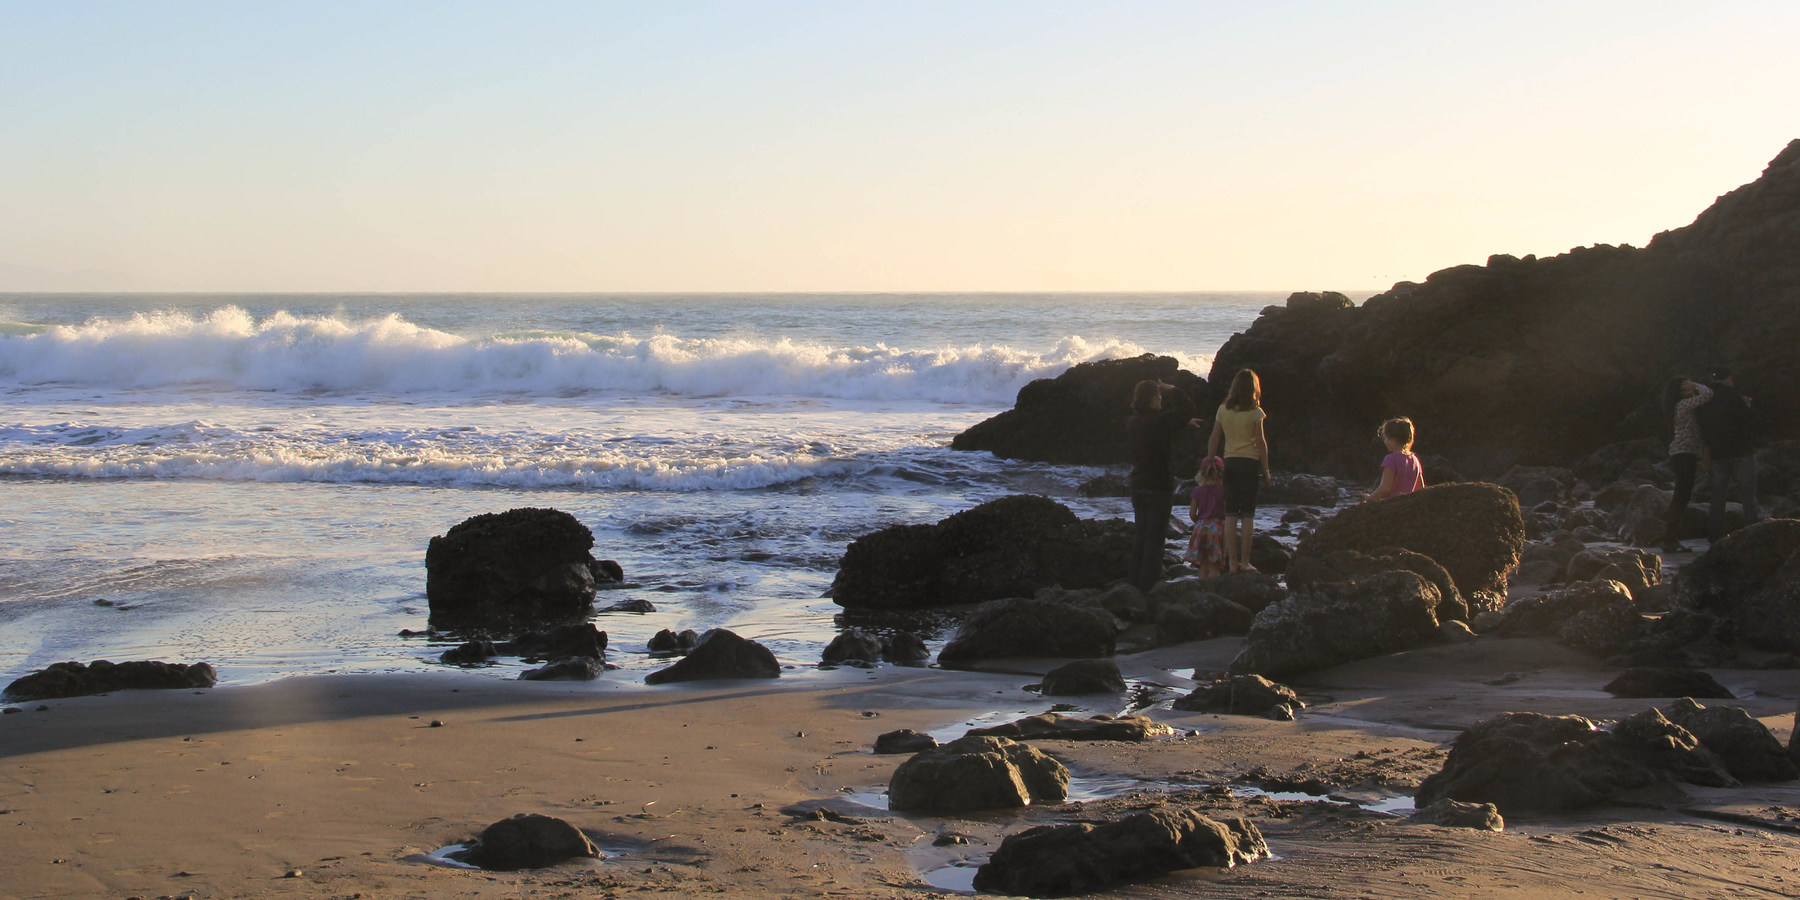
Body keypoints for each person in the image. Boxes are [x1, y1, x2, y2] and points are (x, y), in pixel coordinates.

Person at [1125, 379, 1200, 592]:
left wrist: (1183, 422)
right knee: (1155, 540)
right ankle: (1148, 588)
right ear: (1151, 400)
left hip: (1138, 484)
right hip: (1158, 486)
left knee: (1141, 536)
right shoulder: (1160, 422)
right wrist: (1173, 388)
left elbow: (1161, 424)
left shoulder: (1133, 423)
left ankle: (1133, 585)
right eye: (1158, 396)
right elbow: (1187, 408)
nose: (1161, 399)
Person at [1206, 368, 1271, 574]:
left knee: (1231, 514)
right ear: (1254, 388)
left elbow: (1214, 438)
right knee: (1248, 515)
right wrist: (1266, 469)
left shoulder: (1223, 410)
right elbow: (1261, 443)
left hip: (1230, 463)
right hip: (1249, 464)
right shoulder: (1255, 412)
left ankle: (1232, 563)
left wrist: (1210, 460)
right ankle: (1245, 562)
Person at [1696, 365, 1760, 541]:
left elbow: (1701, 425)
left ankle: (1715, 536)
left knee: (1718, 496)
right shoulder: (1735, 397)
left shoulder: (1706, 399)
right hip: (1741, 452)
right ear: (1729, 379)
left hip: (1717, 455)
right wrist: (1747, 406)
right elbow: (1749, 422)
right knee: (1748, 495)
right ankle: (1753, 534)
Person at [1659, 376, 1712, 552]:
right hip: (1685, 454)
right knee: (1682, 497)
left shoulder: (1675, 407)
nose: (1691, 390)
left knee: (1680, 496)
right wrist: (1697, 384)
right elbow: (1707, 394)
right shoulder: (1683, 405)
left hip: (1678, 454)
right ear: (1679, 392)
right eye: (1686, 387)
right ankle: (1669, 539)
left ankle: (1670, 537)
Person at [1183, 456, 1228, 579]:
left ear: (1202, 472)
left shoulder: (1197, 491)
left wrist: (1199, 522)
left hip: (1201, 527)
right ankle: (1213, 591)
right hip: (1217, 528)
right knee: (1215, 565)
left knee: (1203, 565)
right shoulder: (1224, 490)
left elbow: (1192, 514)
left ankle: (1202, 589)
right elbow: (1228, 512)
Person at [1364, 417, 1425, 502]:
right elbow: (1420, 489)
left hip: (1392, 506)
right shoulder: (1415, 460)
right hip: (1407, 505)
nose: (1385, 441)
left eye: (1385, 438)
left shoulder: (1391, 459)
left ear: (1392, 440)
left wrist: (1369, 498)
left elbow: (1385, 488)